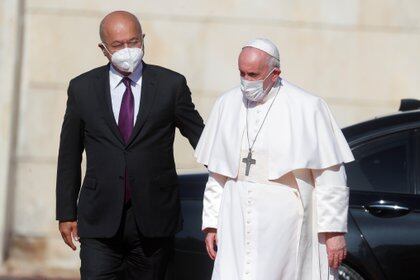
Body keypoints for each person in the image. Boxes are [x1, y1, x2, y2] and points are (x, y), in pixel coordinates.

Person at [56, 10, 204, 279]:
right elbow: (69, 154)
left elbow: (203, 140)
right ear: (103, 49)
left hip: (154, 217)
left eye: (133, 42)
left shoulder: (171, 85)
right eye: (117, 45)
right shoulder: (82, 88)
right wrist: (66, 212)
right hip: (99, 217)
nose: (127, 50)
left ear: (143, 39)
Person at [195, 38, 354, 280]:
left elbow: (330, 175)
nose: (246, 81)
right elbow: (217, 173)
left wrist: (333, 233)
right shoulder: (227, 104)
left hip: (284, 220)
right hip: (235, 214)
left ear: (275, 73)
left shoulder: (307, 106)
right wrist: (212, 223)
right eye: (241, 73)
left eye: (253, 74)